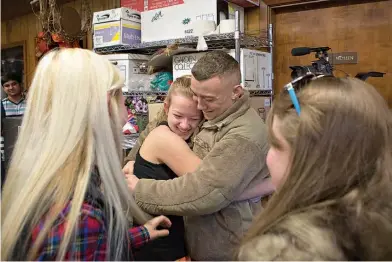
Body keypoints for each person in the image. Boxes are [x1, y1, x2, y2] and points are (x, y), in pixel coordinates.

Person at [1, 49, 171, 261]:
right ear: (106, 106)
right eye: (123, 101)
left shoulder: (44, 181)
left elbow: (92, 245)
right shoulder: (78, 217)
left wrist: (140, 234)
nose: (126, 114)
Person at [124, 50, 271, 260]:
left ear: (236, 92)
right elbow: (158, 124)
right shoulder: (211, 109)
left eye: (208, 99)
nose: (200, 106)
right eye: (196, 96)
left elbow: (205, 191)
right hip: (194, 242)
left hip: (227, 247)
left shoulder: (243, 135)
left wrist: (140, 189)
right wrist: (133, 159)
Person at [237, 77, 392, 260]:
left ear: (308, 159)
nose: (268, 157)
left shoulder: (280, 252)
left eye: (275, 144)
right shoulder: (379, 218)